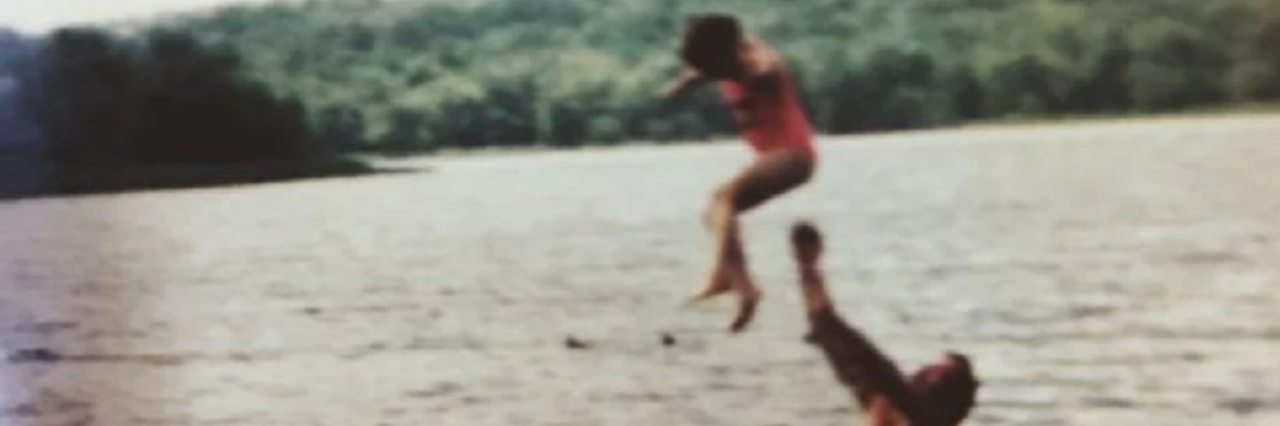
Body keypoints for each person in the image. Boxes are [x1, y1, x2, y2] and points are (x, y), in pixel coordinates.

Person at [660, 12, 818, 333]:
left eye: (714, 68)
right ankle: (739, 282)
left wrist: (754, 69)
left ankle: (727, 277)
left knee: (723, 199)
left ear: (727, 54)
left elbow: (768, 66)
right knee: (715, 214)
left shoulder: (755, 62)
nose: (713, 75)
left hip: (794, 155)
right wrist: (684, 85)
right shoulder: (723, 63)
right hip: (780, 156)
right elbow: (703, 71)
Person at [790, 221, 980, 426]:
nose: (921, 369)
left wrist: (808, 267)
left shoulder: (898, 398)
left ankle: (808, 264)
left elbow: (829, 323)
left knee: (834, 332)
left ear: (936, 377)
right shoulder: (907, 404)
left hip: (895, 400)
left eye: (933, 368)